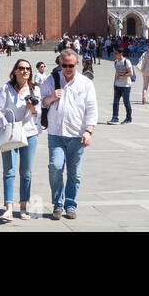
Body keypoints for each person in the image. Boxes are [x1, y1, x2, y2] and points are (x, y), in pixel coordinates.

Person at [38, 48, 98, 220]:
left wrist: (89, 131)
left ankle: (70, 205)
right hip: (56, 133)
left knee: (74, 173)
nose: (68, 69)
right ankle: (58, 204)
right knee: (55, 168)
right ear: (60, 64)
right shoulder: (51, 80)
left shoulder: (85, 83)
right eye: (64, 65)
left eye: (71, 65)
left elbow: (92, 110)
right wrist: (51, 97)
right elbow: (41, 102)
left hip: (76, 134)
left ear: (77, 64)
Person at [0, 59, 41, 222]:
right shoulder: (6, 88)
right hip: (10, 133)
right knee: (9, 171)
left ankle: (24, 207)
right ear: (15, 71)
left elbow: (38, 114)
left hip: (29, 133)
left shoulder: (34, 90)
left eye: (27, 68)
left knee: (26, 172)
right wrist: (7, 125)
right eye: (21, 68)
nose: (25, 71)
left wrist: (31, 108)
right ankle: (8, 209)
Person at [108, 47, 135, 124]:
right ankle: (115, 117)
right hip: (117, 85)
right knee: (115, 102)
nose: (114, 55)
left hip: (126, 86)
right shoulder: (116, 62)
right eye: (114, 53)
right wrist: (114, 83)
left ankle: (128, 118)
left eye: (116, 53)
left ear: (121, 54)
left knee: (126, 102)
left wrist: (122, 76)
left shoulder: (126, 61)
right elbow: (116, 73)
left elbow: (131, 73)